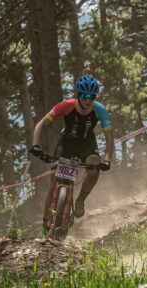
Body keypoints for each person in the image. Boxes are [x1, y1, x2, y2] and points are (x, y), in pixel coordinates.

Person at [29, 75, 114, 223]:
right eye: (85, 96)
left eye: (92, 97)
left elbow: (110, 137)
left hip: (87, 144)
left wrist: (107, 160)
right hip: (66, 143)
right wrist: (35, 145)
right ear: (78, 95)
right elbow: (41, 124)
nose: (88, 100)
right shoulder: (66, 105)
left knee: (94, 168)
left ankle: (80, 200)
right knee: (54, 180)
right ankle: (45, 220)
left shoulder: (100, 109)